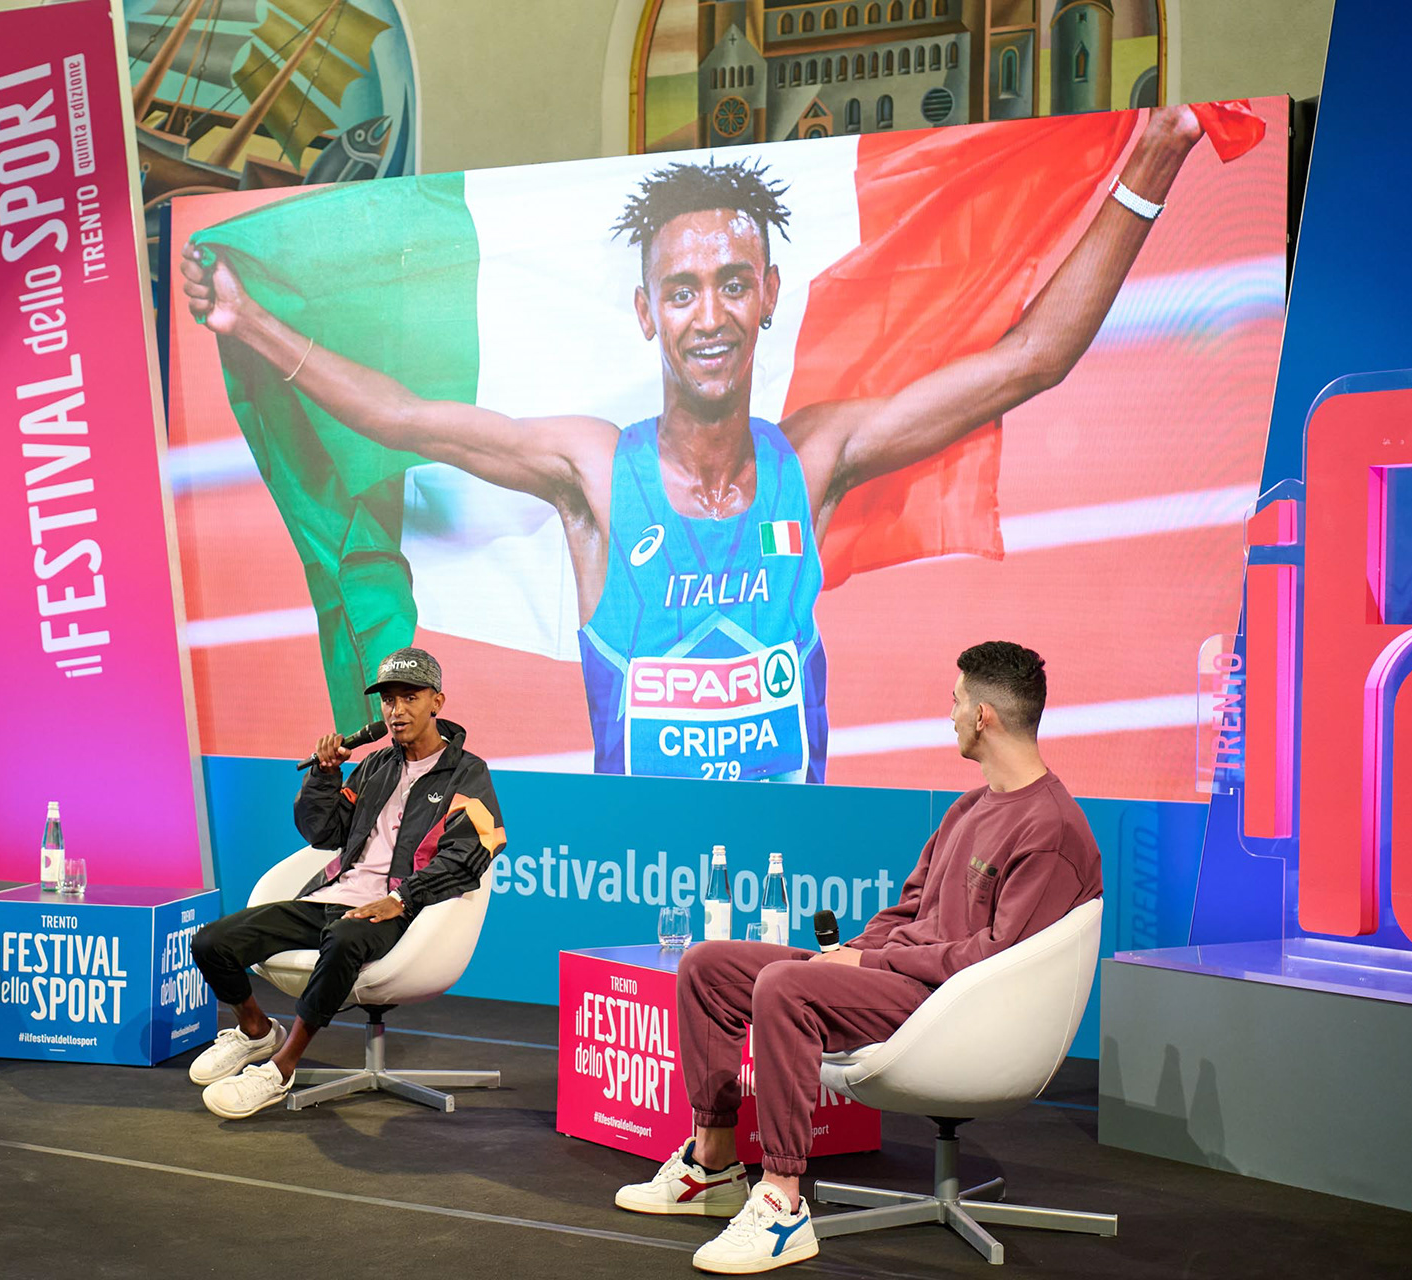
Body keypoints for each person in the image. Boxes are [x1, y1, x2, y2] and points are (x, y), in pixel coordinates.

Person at [182, 107, 1206, 784]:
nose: (708, 315)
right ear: (647, 311)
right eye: (681, 290)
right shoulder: (594, 470)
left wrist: (1154, 159)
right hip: (639, 869)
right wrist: (249, 320)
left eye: (731, 284)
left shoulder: (816, 456)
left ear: (767, 296)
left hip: (784, 866)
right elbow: (404, 419)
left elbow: (1029, 360)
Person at [612, 641, 1102, 1273]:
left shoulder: (1051, 828)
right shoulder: (968, 807)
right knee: (708, 967)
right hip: (902, 978)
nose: (950, 714)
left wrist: (868, 966)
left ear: (983, 716)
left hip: (949, 1005)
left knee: (785, 988)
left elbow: (994, 958)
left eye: (956, 701)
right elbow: (909, 910)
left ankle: (783, 1203)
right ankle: (713, 1164)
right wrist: (852, 953)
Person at [187, 647, 505, 1119]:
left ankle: (280, 1069)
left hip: (398, 912)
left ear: (437, 702)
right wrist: (325, 774)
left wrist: (401, 898)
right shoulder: (375, 765)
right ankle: (257, 1031)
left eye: (410, 698)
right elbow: (324, 832)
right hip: (331, 896)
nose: (396, 711)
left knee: (343, 938)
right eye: (389, 700)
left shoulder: (467, 773)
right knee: (211, 942)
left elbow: (470, 855)